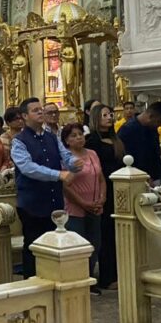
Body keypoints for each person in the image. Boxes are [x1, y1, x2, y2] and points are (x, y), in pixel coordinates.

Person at [9, 97, 82, 278]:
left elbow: (65, 155)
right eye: (35, 110)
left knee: (53, 244)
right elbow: (28, 168)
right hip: (32, 203)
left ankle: (52, 280)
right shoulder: (19, 141)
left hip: (54, 200)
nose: (40, 112)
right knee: (34, 245)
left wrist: (74, 163)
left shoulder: (51, 136)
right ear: (24, 116)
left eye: (40, 109)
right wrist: (58, 175)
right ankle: (31, 282)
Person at [60, 123, 103, 294]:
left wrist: (102, 198)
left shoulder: (92, 154)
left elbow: (100, 178)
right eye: (74, 135)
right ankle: (77, 281)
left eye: (80, 134)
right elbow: (66, 186)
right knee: (79, 245)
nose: (79, 138)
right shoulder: (66, 157)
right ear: (67, 141)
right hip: (75, 207)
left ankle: (90, 278)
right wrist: (83, 203)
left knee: (94, 244)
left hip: (95, 205)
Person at [85, 103, 123, 290]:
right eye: (105, 115)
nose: (109, 118)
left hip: (119, 188)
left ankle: (118, 272)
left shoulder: (116, 139)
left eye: (111, 114)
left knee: (117, 233)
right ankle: (107, 276)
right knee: (105, 234)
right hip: (102, 187)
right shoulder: (91, 141)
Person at [117, 101, 161, 184]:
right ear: (150, 116)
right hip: (137, 179)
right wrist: (144, 177)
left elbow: (155, 155)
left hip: (156, 177)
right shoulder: (127, 130)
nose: (160, 125)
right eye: (159, 121)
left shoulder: (152, 128)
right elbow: (124, 157)